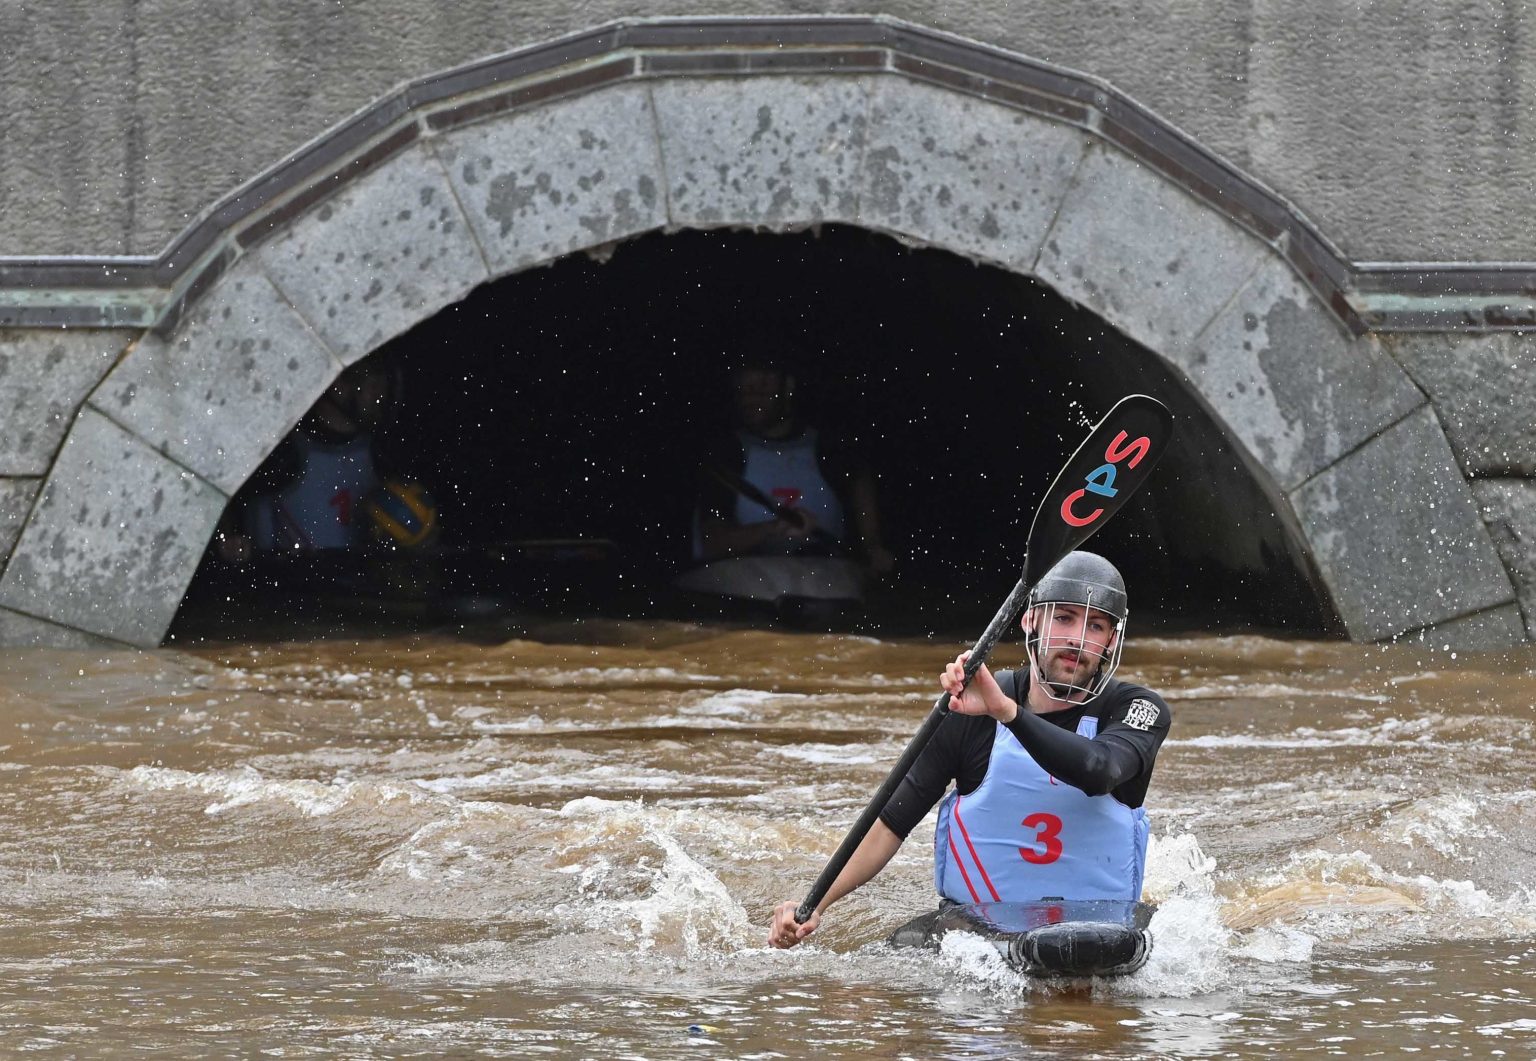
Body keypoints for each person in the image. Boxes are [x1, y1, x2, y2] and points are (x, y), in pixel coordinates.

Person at [766, 551, 1172, 948]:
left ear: (1111, 641)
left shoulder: (1138, 709)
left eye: (1095, 626)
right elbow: (890, 823)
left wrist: (1006, 712)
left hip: (1102, 933)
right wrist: (813, 905)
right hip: (980, 929)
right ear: (1031, 620)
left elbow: (1099, 770)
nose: (1077, 638)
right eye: (1064, 618)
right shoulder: (969, 710)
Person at [693, 360, 893, 574]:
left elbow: (860, 482)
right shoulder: (727, 454)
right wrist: (773, 528)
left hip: (826, 578)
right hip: (751, 580)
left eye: (763, 385)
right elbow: (710, 544)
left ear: (788, 387)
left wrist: (872, 544)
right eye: (744, 388)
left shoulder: (829, 449)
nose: (751, 397)